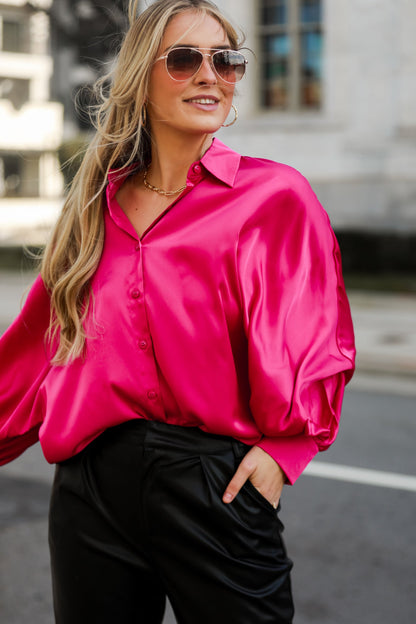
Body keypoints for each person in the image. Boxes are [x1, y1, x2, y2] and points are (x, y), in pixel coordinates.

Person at [0, 1, 355, 622]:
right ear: (141, 77)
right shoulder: (94, 210)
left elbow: (315, 338)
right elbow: (38, 349)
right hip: (91, 491)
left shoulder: (273, 198)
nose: (210, 75)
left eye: (228, 60)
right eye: (186, 59)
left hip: (215, 489)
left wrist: (283, 452)